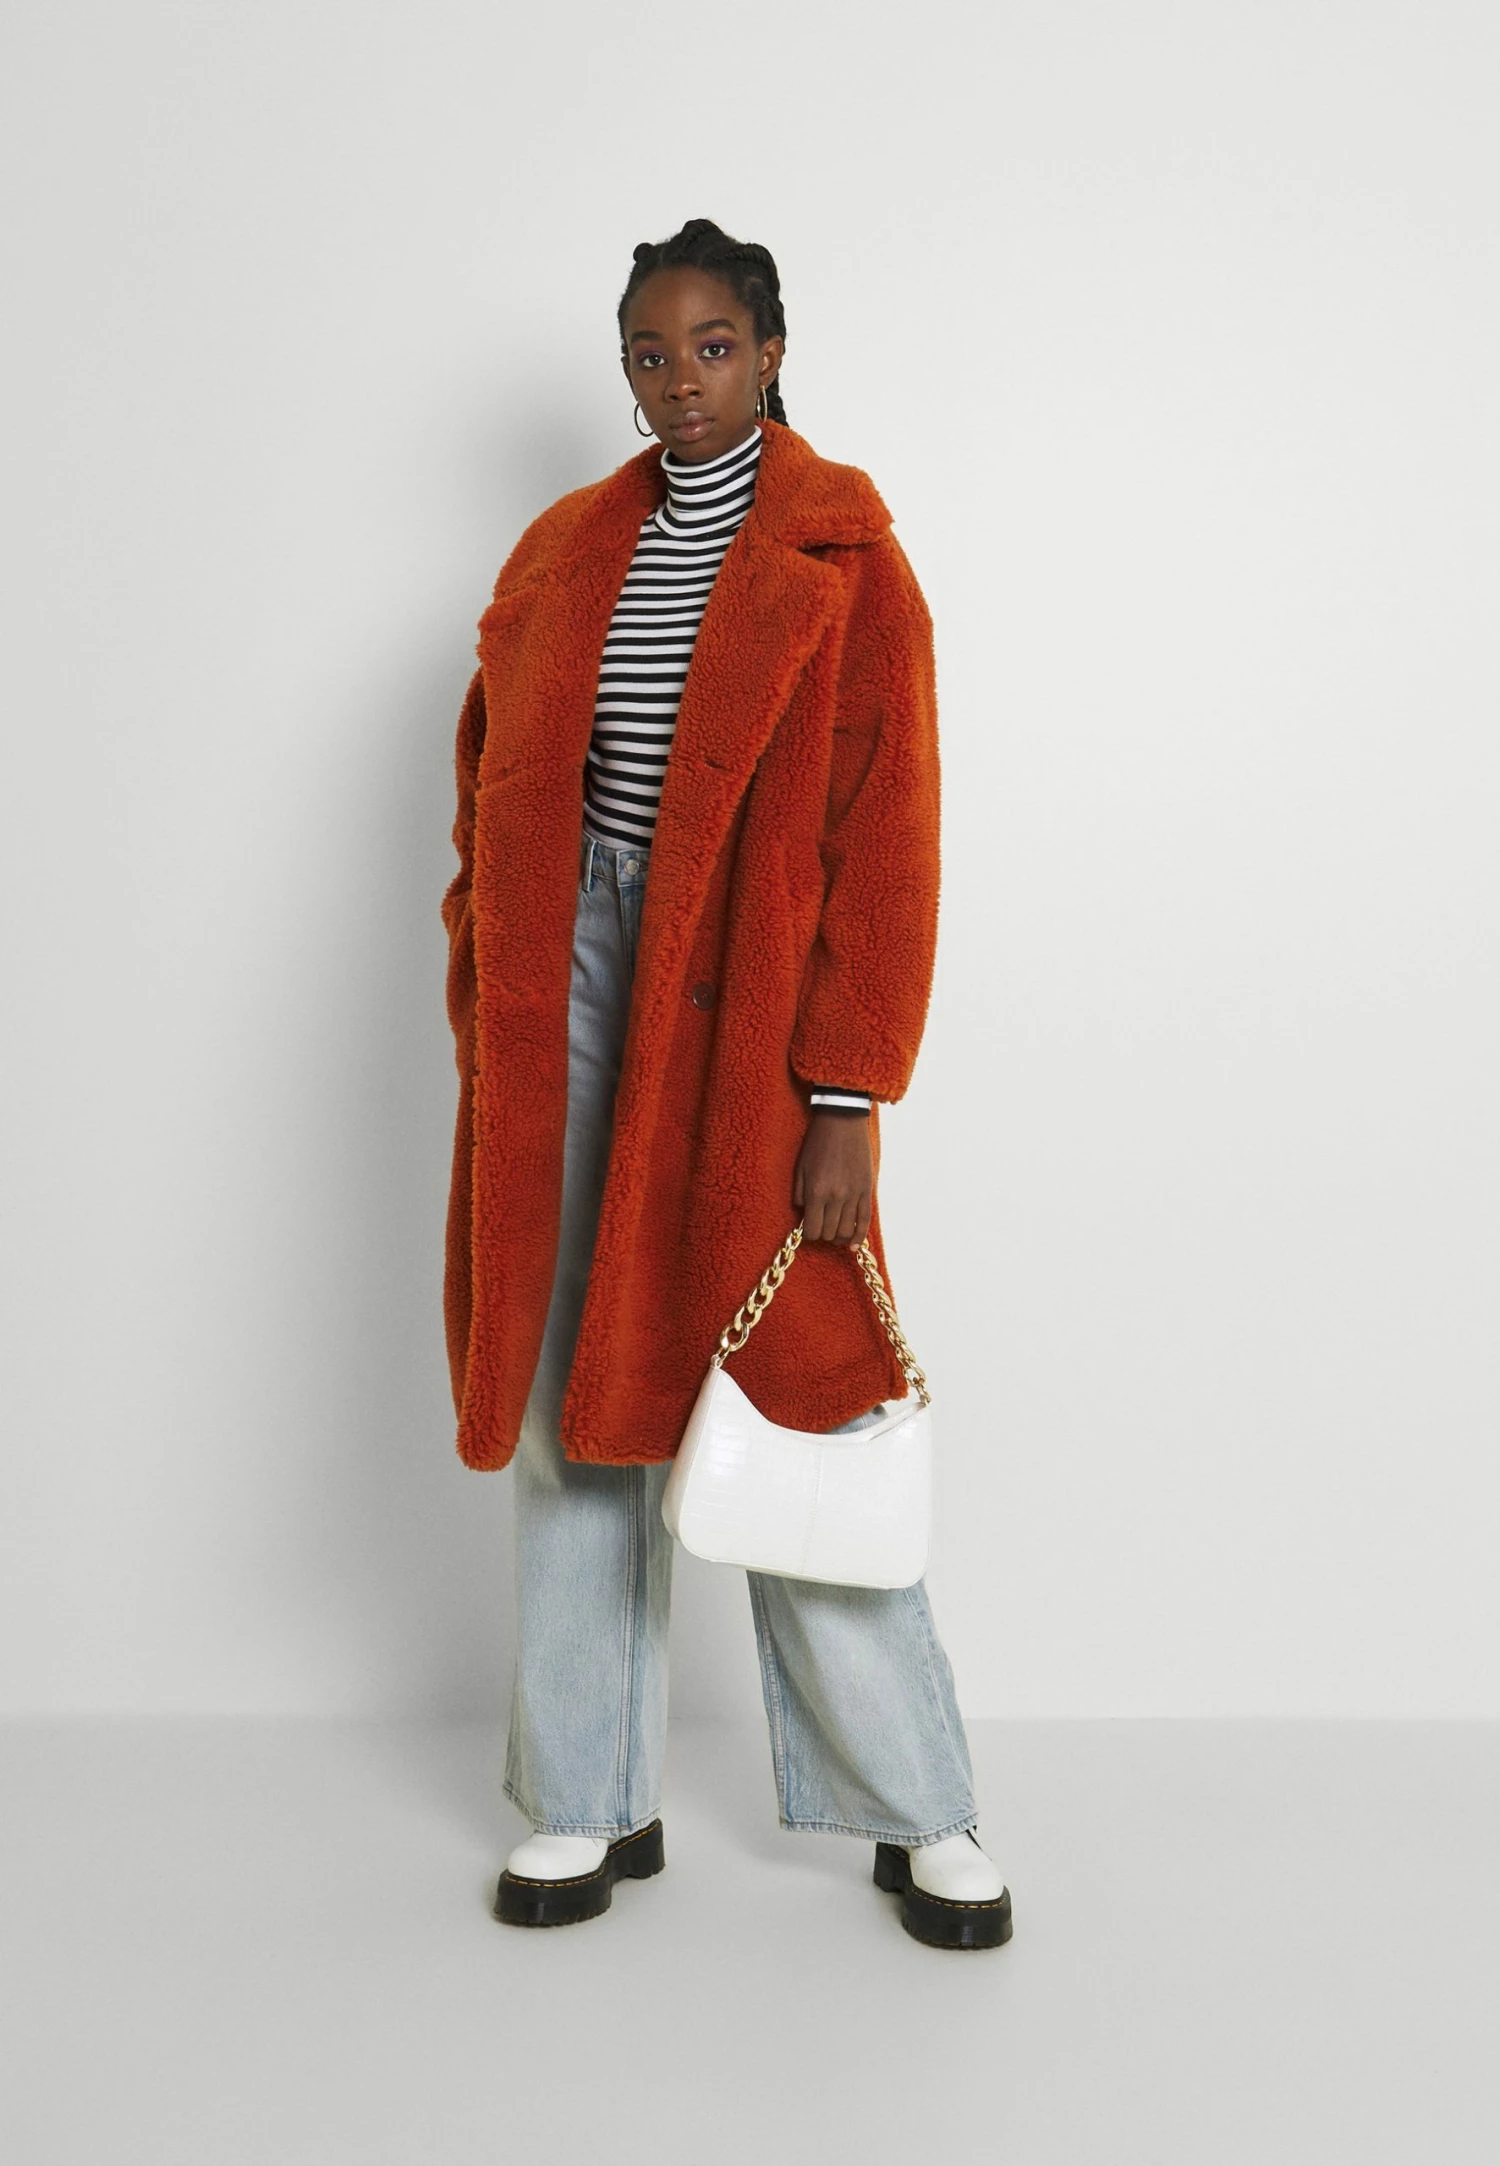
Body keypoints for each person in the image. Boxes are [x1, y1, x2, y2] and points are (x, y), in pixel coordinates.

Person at [439, 218, 1011, 1952]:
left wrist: (847, 1090)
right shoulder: (565, 549)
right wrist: (488, 963)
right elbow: (492, 777)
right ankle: (588, 1792)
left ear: (769, 351)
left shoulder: (846, 557)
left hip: (745, 1004)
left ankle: (919, 1804)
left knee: (795, 1381)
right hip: (576, 984)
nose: (676, 380)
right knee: (574, 1381)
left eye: (708, 347)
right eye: (647, 352)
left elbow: (888, 835)